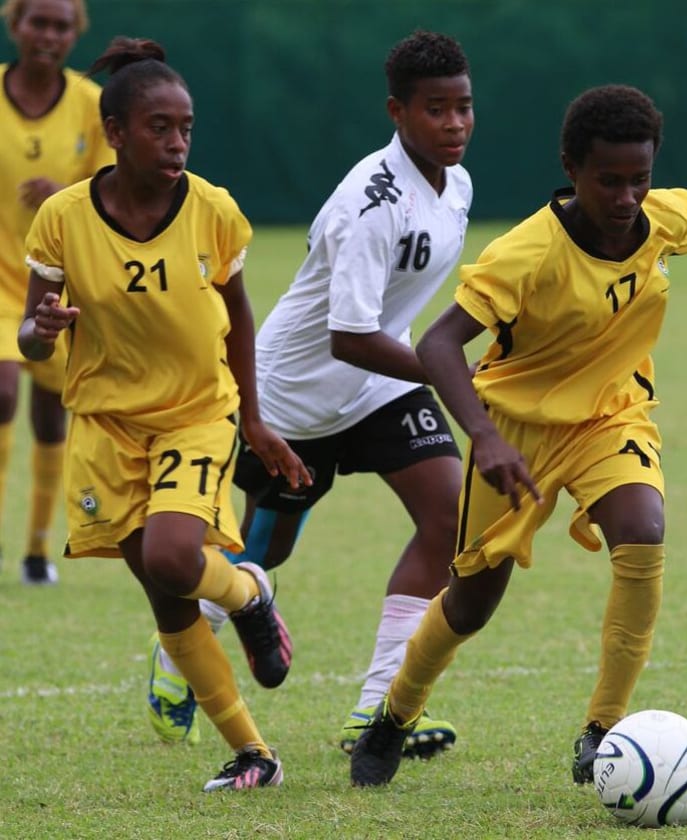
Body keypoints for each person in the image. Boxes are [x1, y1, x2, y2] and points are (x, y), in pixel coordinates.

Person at [350, 83, 687, 787]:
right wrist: (485, 437)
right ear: (572, 169)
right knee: (472, 602)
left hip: (610, 414)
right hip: (515, 433)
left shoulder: (658, 216)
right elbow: (439, 345)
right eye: (609, 180)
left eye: (640, 178)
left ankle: (602, 731)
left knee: (644, 531)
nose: (628, 196)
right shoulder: (528, 252)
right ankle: (395, 713)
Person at [143, 29, 472, 759]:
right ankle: (176, 654)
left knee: (450, 516)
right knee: (264, 553)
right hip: (294, 396)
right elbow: (348, 336)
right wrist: (449, 370)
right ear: (397, 112)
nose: (454, 124)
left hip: (382, 383)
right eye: (435, 109)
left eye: (463, 107)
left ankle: (378, 711)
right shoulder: (370, 203)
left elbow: (386, 324)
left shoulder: (458, 186)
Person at [18, 36, 311, 792]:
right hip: (105, 425)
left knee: (175, 559)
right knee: (166, 597)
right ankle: (254, 753)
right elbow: (29, 332)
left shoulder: (212, 210)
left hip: (193, 414)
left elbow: (238, 317)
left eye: (186, 127)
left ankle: (248, 595)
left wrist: (253, 419)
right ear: (115, 133)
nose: (178, 142)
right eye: (160, 127)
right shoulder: (63, 217)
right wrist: (41, 330)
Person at [0, 0, 111, 584]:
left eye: (61, 25)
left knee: (50, 417)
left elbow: (111, 190)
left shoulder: (91, 103)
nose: (48, 34)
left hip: (55, 283)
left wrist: (65, 193)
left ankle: (37, 551)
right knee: (1, 392)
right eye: (37, 21)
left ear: (75, 34)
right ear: (14, 24)